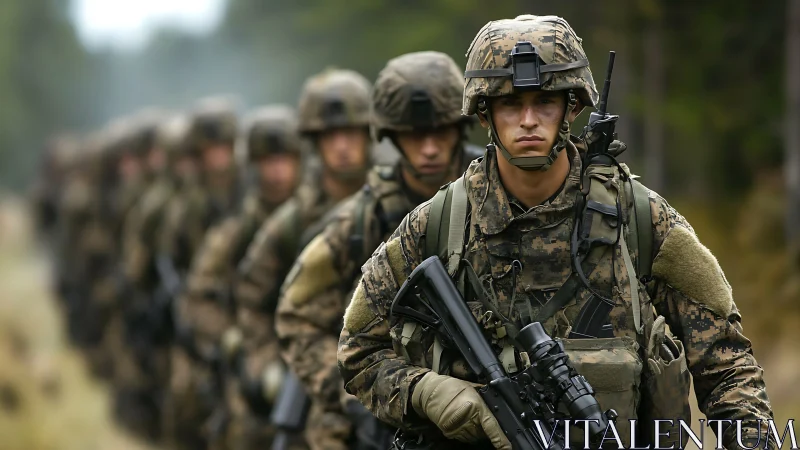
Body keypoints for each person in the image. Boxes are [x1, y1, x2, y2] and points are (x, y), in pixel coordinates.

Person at [337, 15, 774, 450]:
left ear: (573, 107)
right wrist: (433, 394)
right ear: (485, 113)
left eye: (544, 102)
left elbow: (728, 366)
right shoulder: (438, 225)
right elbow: (359, 354)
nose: (528, 120)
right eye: (510, 104)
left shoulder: (640, 219)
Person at [276, 51, 481, 450]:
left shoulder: (494, 197)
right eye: (413, 135)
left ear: (461, 129)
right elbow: (296, 315)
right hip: (380, 396)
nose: (429, 148)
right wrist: (349, 396)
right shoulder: (359, 219)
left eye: (440, 132)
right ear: (390, 137)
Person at [231, 68, 372, 446]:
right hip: (313, 369)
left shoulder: (395, 206)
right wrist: (265, 364)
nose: (342, 145)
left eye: (351, 133)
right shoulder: (290, 224)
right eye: (331, 136)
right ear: (315, 142)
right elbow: (250, 298)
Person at [177, 105, 303, 450]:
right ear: (253, 166)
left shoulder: (324, 222)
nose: (277, 172)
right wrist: (231, 339)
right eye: (267, 162)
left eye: (285, 160)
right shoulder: (234, 231)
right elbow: (197, 298)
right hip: (253, 353)